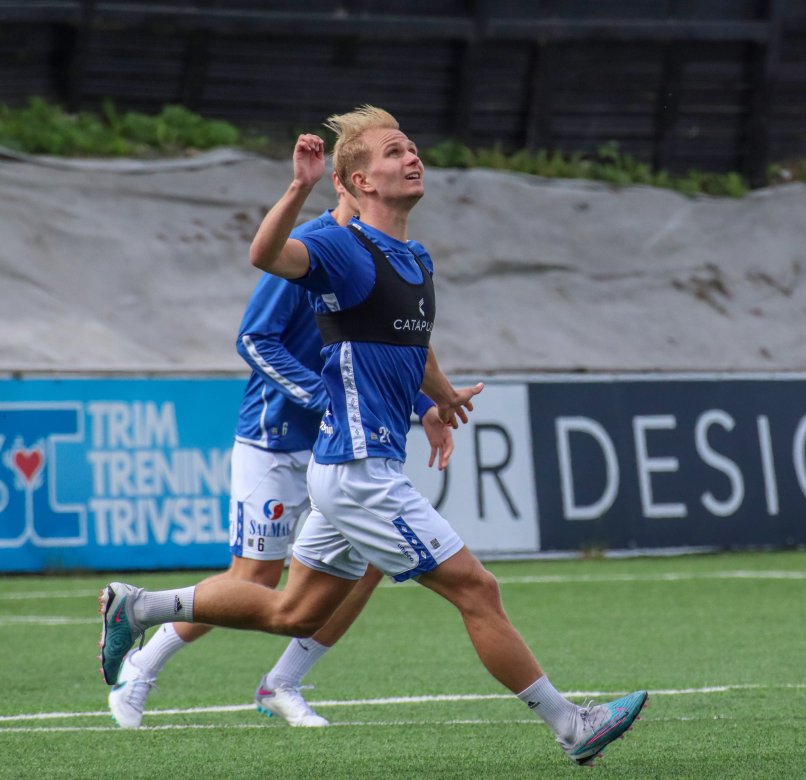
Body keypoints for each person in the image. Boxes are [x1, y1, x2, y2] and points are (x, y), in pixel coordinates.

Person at [97, 105, 647, 766]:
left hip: (353, 467)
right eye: (393, 152)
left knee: (295, 613)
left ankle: (141, 608)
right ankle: (572, 726)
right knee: (476, 589)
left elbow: (411, 339)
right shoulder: (340, 244)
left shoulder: (413, 257)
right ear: (359, 182)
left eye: (411, 147)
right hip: (356, 469)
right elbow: (264, 256)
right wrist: (298, 187)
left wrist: (439, 398)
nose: (412, 157)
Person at [108, 172, 455, 729]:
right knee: (255, 580)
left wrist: (426, 405)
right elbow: (254, 339)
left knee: (370, 564)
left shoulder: (385, 255)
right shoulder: (312, 248)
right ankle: (142, 664)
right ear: (348, 181)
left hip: (338, 446)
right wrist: (321, 396)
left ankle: (281, 683)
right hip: (274, 439)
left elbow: (390, 349)